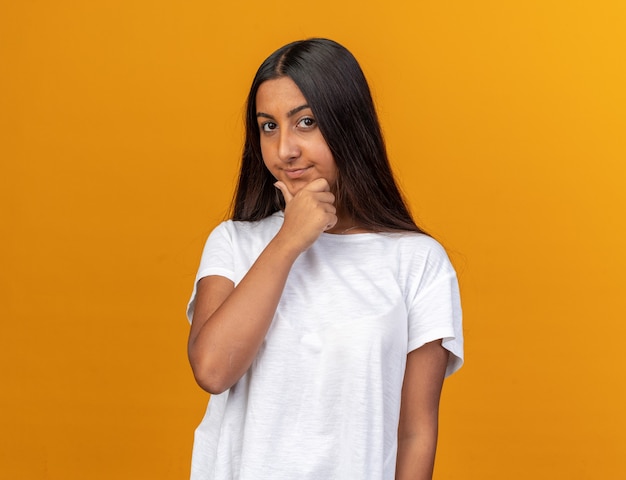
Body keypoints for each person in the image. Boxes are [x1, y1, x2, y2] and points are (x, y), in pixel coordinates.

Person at [186, 38, 463, 480]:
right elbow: (213, 369)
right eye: (268, 126)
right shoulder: (234, 244)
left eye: (306, 122)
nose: (285, 150)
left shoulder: (418, 263)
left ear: (348, 124)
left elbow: (416, 433)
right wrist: (288, 240)